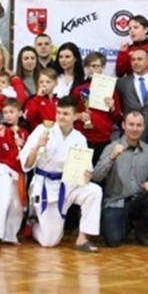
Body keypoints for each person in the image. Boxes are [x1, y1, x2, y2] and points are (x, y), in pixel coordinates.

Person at [19, 96, 102, 251]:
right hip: (45, 187)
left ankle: (82, 239)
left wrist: (87, 175)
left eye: (66, 114)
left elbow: (87, 169)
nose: (61, 117)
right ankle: (33, 223)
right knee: (49, 241)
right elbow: (26, 164)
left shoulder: (79, 138)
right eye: (59, 113)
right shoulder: (43, 130)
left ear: (75, 116)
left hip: (69, 184)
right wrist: (37, 146)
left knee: (94, 191)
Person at [93, 111, 148, 247]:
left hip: (138, 202)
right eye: (131, 124)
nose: (135, 129)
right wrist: (111, 157)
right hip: (116, 202)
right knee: (113, 241)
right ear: (123, 125)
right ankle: (126, 225)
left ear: (143, 127)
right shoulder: (111, 148)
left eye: (138, 125)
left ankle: (142, 229)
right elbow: (96, 177)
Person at [0, 99, 28, 249]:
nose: (8, 115)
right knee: (0, 202)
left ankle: (10, 235)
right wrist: (5, 138)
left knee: (17, 206)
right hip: (4, 169)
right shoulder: (0, 129)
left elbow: (27, 153)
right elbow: (2, 152)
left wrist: (23, 145)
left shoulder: (24, 133)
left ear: (20, 113)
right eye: (5, 112)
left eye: (11, 112)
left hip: (18, 171)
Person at [72, 52, 122, 164]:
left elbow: (117, 117)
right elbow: (70, 114)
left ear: (103, 67)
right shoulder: (78, 90)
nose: (91, 69)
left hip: (103, 138)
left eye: (95, 66)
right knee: (82, 171)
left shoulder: (111, 89)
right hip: (83, 138)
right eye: (88, 66)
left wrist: (112, 107)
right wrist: (79, 116)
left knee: (102, 171)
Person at [115, 48, 148, 150]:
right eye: (133, 59)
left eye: (139, 59)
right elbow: (120, 109)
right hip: (129, 139)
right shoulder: (121, 84)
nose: (136, 62)